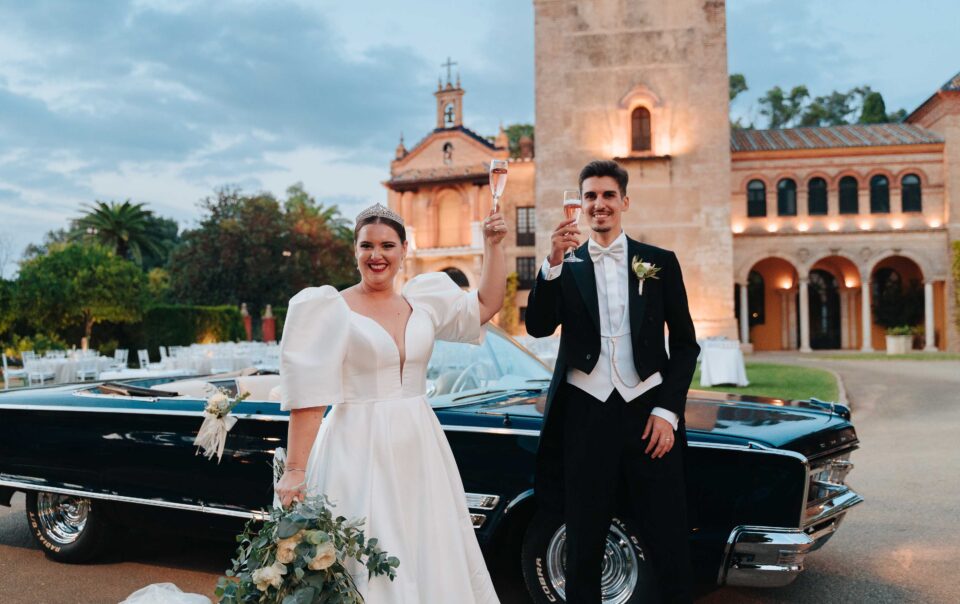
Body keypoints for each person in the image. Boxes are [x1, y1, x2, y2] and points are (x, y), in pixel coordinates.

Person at [273, 202, 506, 603]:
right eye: (366, 246)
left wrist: (493, 244)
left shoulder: (425, 301)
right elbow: (309, 399)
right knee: (368, 553)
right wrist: (295, 469)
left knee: (426, 547)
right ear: (355, 251)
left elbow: (486, 304)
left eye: (386, 245)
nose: (376, 255)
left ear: (404, 250)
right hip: (356, 448)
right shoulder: (329, 309)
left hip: (419, 444)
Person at [525, 160, 700, 604]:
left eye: (606, 195)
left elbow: (685, 346)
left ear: (624, 201)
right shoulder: (565, 265)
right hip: (586, 416)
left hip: (649, 418)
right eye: (590, 196)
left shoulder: (658, 263)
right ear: (581, 205)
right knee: (583, 542)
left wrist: (667, 411)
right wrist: (551, 263)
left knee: (668, 538)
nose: (598, 204)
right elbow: (539, 327)